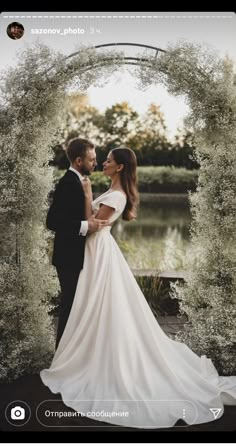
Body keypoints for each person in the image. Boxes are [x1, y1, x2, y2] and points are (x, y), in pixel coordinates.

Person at [40, 147, 236, 429]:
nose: (102, 163)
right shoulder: (111, 191)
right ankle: (82, 349)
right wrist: (87, 198)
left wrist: (86, 197)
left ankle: (94, 356)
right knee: (93, 304)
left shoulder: (117, 196)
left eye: (107, 160)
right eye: (102, 159)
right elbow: (91, 219)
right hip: (94, 251)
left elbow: (94, 226)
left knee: (98, 302)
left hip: (98, 250)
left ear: (119, 167)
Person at [46, 137, 108, 348]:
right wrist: (85, 226)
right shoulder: (67, 183)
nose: (95, 163)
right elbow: (52, 221)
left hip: (75, 255)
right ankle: (61, 355)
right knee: (70, 307)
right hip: (68, 257)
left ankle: (69, 353)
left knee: (76, 306)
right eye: (91, 160)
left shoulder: (78, 181)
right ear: (79, 161)